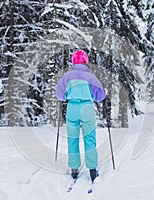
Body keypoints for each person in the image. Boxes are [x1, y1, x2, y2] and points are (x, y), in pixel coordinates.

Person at [56, 50, 106, 182]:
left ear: (73, 61)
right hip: (87, 108)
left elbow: (59, 95)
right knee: (90, 138)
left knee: (72, 138)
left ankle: (74, 168)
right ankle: (92, 169)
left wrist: (68, 95)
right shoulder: (91, 77)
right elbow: (100, 96)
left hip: (72, 107)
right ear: (85, 61)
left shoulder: (67, 76)